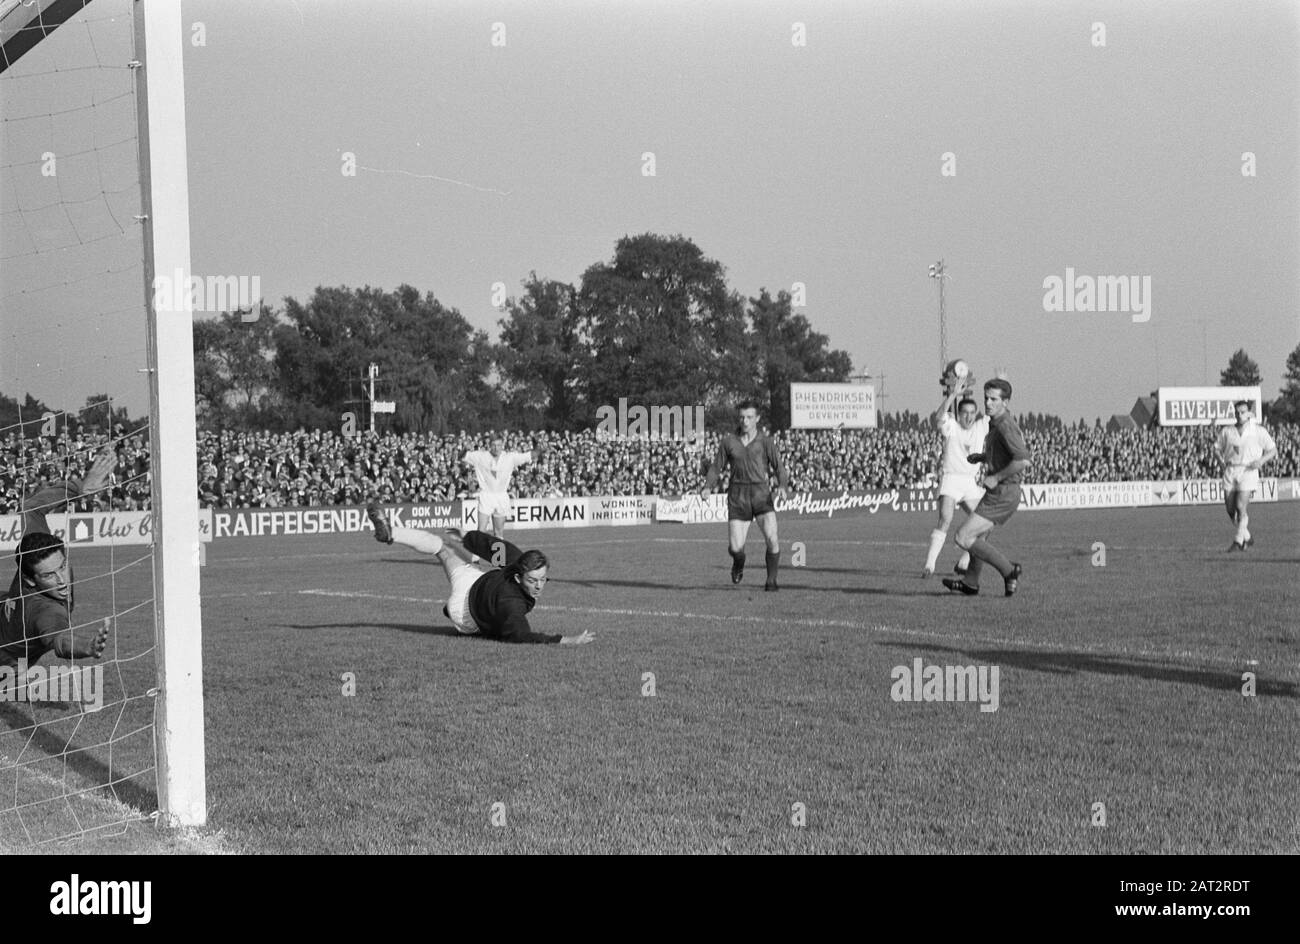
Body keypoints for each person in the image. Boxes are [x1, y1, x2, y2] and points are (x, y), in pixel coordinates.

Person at [365, 503, 594, 645]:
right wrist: (565, 640)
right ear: (518, 576)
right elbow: (521, 636)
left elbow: (492, 547)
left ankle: (393, 533)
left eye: (543, 579)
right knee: (443, 549)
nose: (539, 586)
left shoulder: (516, 560)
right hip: (465, 613)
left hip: (474, 583)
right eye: (533, 580)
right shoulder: (512, 603)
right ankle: (390, 532)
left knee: (442, 548)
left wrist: (467, 537)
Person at [1, 451, 113, 682]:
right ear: (30, 579)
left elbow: (31, 507)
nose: (62, 581)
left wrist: (79, 488)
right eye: (49, 576)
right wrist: (87, 646)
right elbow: (61, 639)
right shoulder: (44, 610)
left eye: (62, 567)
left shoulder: (36, 551)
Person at [942, 379, 1030, 597]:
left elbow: (1022, 460)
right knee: (978, 537)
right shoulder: (995, 422)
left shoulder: (1005, 425)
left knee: (963, 537)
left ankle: (1009, 571)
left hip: (1004, 492)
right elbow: (1005, 453)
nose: (988, 403)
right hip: (999, 492)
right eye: (986, 398)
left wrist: (996, 477)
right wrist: (983, 457)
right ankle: (971, 583)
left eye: (994, 399)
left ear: (1005, 402)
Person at [700, 400, 790, 591]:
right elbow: (716, 467)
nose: (745, 421)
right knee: (735, 548)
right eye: (742, 417)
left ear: (757, 418)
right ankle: (739, 563)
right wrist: (707, 486)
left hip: (761, 495)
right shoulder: (729, 442)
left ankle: (771, 581)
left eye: (749, 417)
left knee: (772, 538)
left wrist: (782, 486)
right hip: (738, 497)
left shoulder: (766, 442)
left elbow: (780, 468)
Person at [923, 386, 988, 578]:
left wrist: (1002, 385)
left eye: (972, 413)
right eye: (965, 413)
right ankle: (929, 566)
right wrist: (952, 395)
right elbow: (937, 417)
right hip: (951, 479)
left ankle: (964, 562)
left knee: (985, 524)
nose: (969, 416)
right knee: (945, 519)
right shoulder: (952, 426)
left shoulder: (981, 427)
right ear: (959, 415)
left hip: (969, 482)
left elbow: (999, 412)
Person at [1215, 400, 1278, 551]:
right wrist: (1220, 461)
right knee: (1231, 509)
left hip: (1248, 470)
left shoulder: (1258, 431)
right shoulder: (1227, 431)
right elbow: (1216, 448)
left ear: (1249, 413)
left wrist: (1261, 461)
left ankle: (1238, 541)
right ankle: (1247, 538)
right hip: (1231, 470)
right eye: (1237, 412)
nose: (1239, 415)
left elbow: (1272, 450)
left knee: (1240, 506)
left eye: (1243, 412)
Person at [461, 436, 546, 539]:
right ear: (489, 445)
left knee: (498, 533)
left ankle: (497, 550)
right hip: (486, 495)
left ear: (502, 445)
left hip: (501, 496)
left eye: (498, 445)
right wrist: (465, 448)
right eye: (493, 445)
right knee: (481, 530)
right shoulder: (480, 456)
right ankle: (478, 550)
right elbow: (462, 456)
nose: (496, 448)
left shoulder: (510, 457)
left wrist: (536, 444)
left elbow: (534, 454)